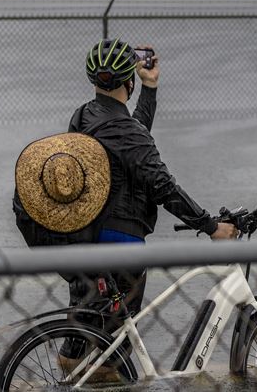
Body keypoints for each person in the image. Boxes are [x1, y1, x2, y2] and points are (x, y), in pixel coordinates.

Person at [58, 38, 238, 379]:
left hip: (83, 234)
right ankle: (109, 377)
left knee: (87, 326)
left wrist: (150, 88)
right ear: (129, 80)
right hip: (120, 239)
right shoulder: (125, 131)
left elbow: (131, 133)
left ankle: (72, 364)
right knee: (117, 348)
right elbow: (161, 184)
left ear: (94, 80)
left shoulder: (84, 115)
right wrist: (210, 226)